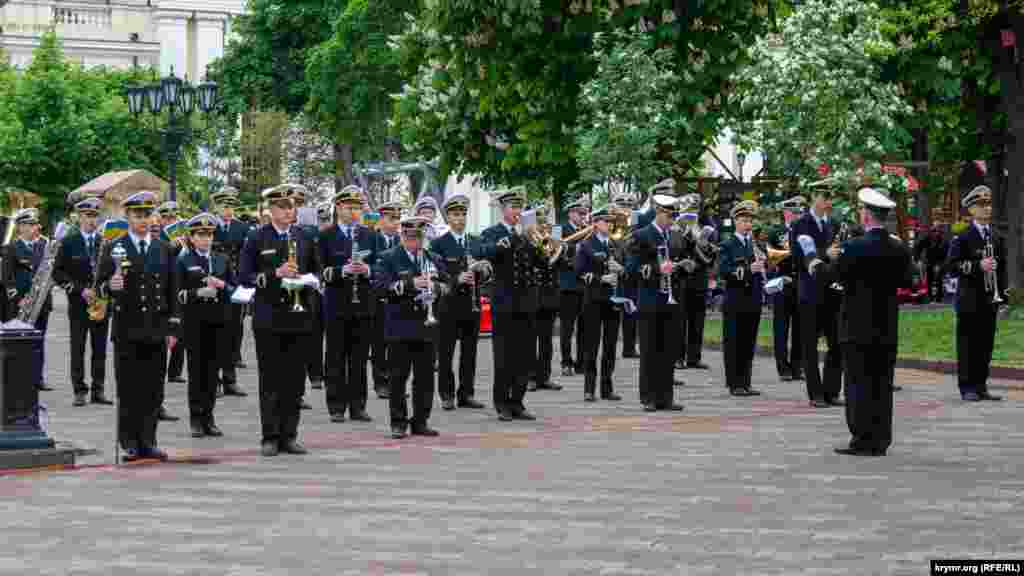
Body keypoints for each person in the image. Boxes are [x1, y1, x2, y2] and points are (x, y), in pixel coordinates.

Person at [95, 191, 179, 462]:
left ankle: (149, 440)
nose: (143, 220)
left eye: (147, 215)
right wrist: (109, 286)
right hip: (127, 329)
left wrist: (173, 328)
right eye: (137, 215)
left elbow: (172, 290)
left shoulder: (164, 248)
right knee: (129, 388)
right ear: (127, 216)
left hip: (156, 329)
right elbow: (98, 288)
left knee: (154, 389)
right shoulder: (114, 247)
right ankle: (129, 441)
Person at [239, 185, 318, 456]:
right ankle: (270, 436)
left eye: (292, 206)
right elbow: (245, 276)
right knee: (271, 379)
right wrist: (276, 273)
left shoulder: (305, 237)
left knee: (295, 380)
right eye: (283, 206)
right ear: (271, 210)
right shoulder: (256, 238)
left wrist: (307, 280)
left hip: (299, 316)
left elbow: (316, 271)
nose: (289, 211)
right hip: (269, 317)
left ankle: (290, 435)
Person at [833, 188, 913, 456]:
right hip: (886, 324)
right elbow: (907, 281)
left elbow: (837, 277)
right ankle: (881, 438)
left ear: (866, 215)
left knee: (857, 383)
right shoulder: (898, 247)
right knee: (882, 382)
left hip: (856, 325)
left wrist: (821, 263)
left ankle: (862, 437)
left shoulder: (853, 247)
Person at [473, 187, 539, 421]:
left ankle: (518, 401)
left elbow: (542, 260)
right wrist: (512, 237)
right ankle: (501, 402)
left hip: (527, 300)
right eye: (512, 207)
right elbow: (480, 251)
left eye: (520, 207)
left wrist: (540, 243)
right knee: (504, 355)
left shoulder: (530, 234)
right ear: (503, 209)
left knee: (525, 354)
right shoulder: (493, 232)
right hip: (504, 301)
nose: (517, 211)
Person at [374, 215, 444, 438]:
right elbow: (380, 288)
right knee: (398, 377)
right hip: (400, 326)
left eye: (419, 237)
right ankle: (398, 422)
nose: (415, 242)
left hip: (427, 325)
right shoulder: (388, 258)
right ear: (402, 235)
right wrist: (410, 284)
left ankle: (421, 421)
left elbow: (447, 284)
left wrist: (437, 288)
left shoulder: (433, 257)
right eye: (410, 237)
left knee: (425, 378)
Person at [320, 185, 378, 423]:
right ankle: (336, 405)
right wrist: (340, 271)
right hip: (336, 302)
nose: (354, 212)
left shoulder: (370, 235)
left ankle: (358, 405)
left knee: (359, 356)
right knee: (335, 356)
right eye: (349, 207)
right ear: (338, 208)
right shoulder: (325, 235)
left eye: (357, 207)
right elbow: (319, 269)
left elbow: (380, 268)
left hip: (362, 303)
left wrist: (368, 269)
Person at [176, 212, 236, 438]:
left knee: (212, 372)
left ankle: (209, 417)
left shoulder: (221, 259)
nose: (206, 239)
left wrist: (222, 285)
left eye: (209, 234)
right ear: (191, 237)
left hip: (218, 321)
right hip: (194, 322)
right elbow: (176, 293)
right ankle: (196, 418)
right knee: (196, 372)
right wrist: (196, 293)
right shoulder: (184, 259)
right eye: (200, 234)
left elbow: (235, 288)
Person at [946, 185, 1008, 402]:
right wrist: (977, 266)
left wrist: (1003, 296)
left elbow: (1002, 269)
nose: (986, 209)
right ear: (971, 209)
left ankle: (981, 385)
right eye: (981, 205)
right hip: (969, 300)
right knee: (968, 345)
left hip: (989, 299)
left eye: (989, 204)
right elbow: (952, 266)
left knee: (985, 345)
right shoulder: (962, 237)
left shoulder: (997, 237)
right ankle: (967, 387)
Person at [627, 187, 685, 412]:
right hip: (650, 299)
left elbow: (679, 261)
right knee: (650, 350)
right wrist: (657, 268)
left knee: (668, 350)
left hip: (670, 300)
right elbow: (632, 269)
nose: (672, 220)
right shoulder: (642, 235)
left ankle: (666, 397)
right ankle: (649, 397)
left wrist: (682, 268)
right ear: (659, 213)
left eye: (673, 216)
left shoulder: (674, 236)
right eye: (669, 215)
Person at [52, 196, 113, 407]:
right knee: (78, 348)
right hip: (78, 304)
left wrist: (103, 290)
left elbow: (111, 272)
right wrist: (79, 290)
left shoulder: (105, 243)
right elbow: (57, 273)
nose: (91, 220)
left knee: (100, 349)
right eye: (87, 216)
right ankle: (79, 390)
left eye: (95, 216)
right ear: (79, 217)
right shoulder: (68, 242)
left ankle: (98, 390)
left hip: (101, 303)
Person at [432, 193, 488, 410]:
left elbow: (485, 271)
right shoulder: (439, 244)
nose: (460, 219)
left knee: (470, 352)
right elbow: (436, 274)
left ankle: (466, 393)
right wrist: (457, 279)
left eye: (463, 214)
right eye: (455, 214)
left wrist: (482, 272)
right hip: (448, 304)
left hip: (471, 303)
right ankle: (446, 394)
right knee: (446, 352)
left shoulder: (475, 241)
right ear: (447, 218)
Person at [789, 189, 843, 408]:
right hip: (810, 290)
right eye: (824, 197)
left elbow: (838, 252)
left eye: (830, 198)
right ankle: (816, 394)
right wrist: (824, 254)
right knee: (809, 344)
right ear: (814, 199)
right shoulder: (800, 224)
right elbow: (797, 254)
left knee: (837, 343)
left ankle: (831, 391)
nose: (828, 202)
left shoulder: (834, 224)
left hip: (832, 289)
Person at [575, 206, 624, 402]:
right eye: (605, 221)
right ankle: (589, 388)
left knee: (610, 346)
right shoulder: (586, 245)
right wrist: (600, 278)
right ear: (595, 223)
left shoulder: (615, 244)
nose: (609, 224)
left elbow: (625, 269)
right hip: (594, 299)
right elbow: (579, 272)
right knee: (592, 345)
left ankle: (607, 388)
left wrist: (620, 270)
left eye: (611, 221)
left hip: (613, 300)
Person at [3, 208, 54, 391]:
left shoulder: (44, 247)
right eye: (31, 225)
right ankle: (17, 376)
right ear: (21, 227)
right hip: (21, 303)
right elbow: (7, 279)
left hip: (42, 302)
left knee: (39, 341)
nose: (35, 228)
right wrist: (18, 299)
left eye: (36, 224)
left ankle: (37, 378)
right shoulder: (11, 248)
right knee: (18, 341)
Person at [719, 200, 764, 397]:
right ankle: (734, 383)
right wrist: (747, 270)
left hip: (753, 298)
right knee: (734, 342)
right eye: (744, 220)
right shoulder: (727, 244)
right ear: (736, 221)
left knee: (748, 342)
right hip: (735, 299)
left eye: (750, 221)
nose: (748, 225)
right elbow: (723, 271)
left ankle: (746, 382)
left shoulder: (755, 244)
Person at [212, 188, 251, 396]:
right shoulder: (208, 227)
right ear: (217, 207)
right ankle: (215, 380)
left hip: (235, 285)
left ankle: (230, 379)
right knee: (215, 334)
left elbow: (247, 256)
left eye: (231, 206)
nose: (228, 210)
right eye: (224, 206)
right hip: (215, 284)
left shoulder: (242, 227)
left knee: (233, 334)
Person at [526, 204, 564, 392]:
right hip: (535, 295)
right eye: (540, 223)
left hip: (550, 296)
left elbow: (559, 265)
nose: (543, 227)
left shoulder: (552, 240)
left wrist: (560, 248)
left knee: (547, 340)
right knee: (532, 338)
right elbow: (538, 263)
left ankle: (545, 376)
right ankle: (532, 377)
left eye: (545, 223)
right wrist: (543, 248)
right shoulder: (532, 242)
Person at [770, 195, 805, 382]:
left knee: (800, 328)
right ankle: (783, 368)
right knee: (781, 328)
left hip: (800, 282)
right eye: (793, 212)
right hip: (782, 283)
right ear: (785, 213)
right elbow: (770, 256)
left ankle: (797, 366)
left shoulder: (805, 232)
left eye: (799, 212)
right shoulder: (776, 232)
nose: (797, 215)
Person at [372, 201, 404, 399]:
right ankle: (380, 382)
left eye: (397, 219)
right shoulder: (373, 240)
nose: (395, 223)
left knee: (397, 345)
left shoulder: (402, 242)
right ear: (381, 220)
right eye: (391, 219)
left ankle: (395, 382)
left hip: (398, 300)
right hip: (377, 300)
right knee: (378, 345)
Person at [676, 194, 712, 371]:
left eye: (695, 209)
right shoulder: (676, 227)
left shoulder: (706, 228)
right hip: (682, 278)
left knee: (698, 320)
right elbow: (674, 250)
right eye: (689, 208)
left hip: (699, 278)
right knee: (680, 319)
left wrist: (703, 242)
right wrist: (686, 237)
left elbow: (711, 254)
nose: (693, 212)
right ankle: (678, 357)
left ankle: (694, 357)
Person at [558, 197, 589, 375]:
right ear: (570, 213)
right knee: (567, 327)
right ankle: (566, 362)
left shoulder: (586, 231)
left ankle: (581, 362)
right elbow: (552, 254)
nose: (583, 217)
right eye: (580, 213)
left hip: (583, 285)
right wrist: (574, 252)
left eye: (584, 213)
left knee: (584, 327)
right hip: (567, 284)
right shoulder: (558, 229)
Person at [914, 223, 949, 303]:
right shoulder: (927, 239)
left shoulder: (943, 241)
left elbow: (947, 254)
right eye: (933, 231)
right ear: (931, 232)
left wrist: (941, 265)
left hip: (940, 261)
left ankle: (939, 298)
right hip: (929, 261)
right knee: (929, 278)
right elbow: (918, 248)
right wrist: (918, 259)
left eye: (937, 231)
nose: (935, 233)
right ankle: (929, 297)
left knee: (939, 278)